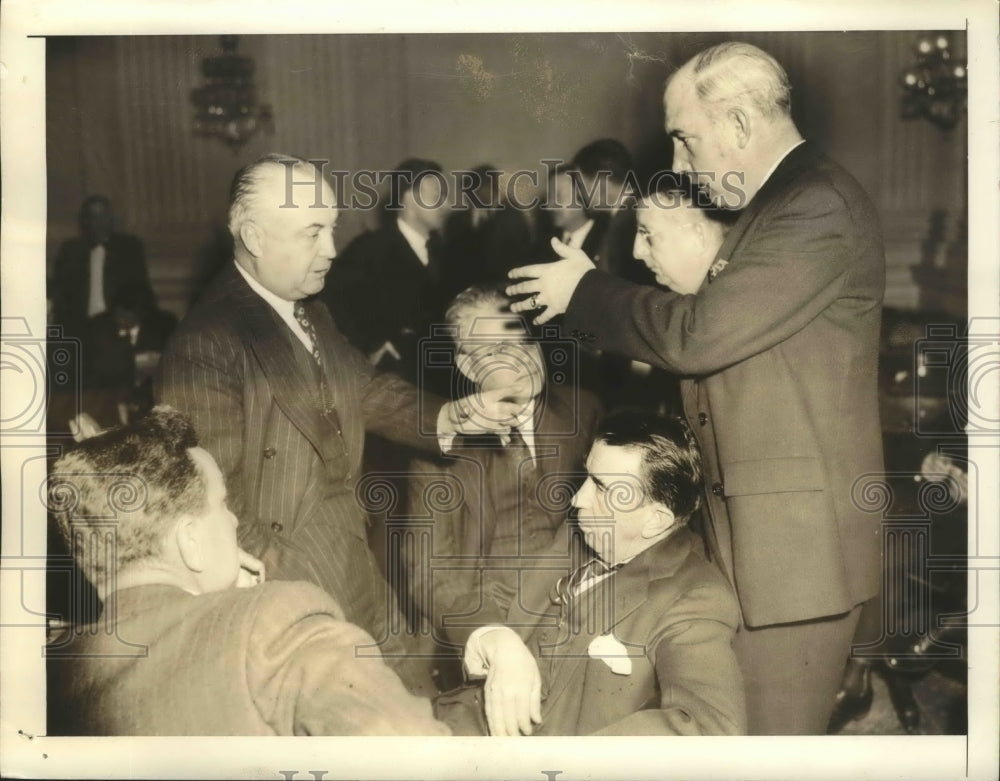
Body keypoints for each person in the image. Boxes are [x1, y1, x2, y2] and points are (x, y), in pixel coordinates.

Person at [506, 42, 886, 735]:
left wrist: (583, 291)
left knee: (761, 746)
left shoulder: (816, 204)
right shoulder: (777, 205)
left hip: (797, 562)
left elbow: (699, 335)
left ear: (740, 124)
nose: (679, 163)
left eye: (685, 138)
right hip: (756, 542)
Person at [156, 153, 525, 693]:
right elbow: (214, 498)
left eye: (331, 229)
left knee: (415, 695)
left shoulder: (308, 309)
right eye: (313, 233)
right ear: (255, 237)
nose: (331, 249)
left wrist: (453, 413)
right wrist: (304, 594)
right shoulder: (207, 342)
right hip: (292, 588)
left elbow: (367, 388)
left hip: (352, 556)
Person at [46, 406, 450, 736]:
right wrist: (244, 608)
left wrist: (215, 598)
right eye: (223, 504)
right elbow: (413, 751)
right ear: (189, 541)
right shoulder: (273, 622)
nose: (235, 523)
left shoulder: (55, 671)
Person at [434, 410, 745, 736]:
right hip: (454, 725)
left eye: (600, 487)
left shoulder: (697, 598)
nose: (578, 498)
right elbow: (488, 595)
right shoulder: (577, 533)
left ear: (656, 519)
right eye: (587, 477)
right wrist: (496, 638)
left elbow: (712, 730)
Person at [399, 285, 601, 684]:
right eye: (496, 350)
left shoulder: (584, 412)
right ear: (469, 368)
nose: (522, 357)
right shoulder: (438, 448)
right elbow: (429, 571)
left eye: (524, 339)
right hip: (491, 617)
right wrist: (489, 632)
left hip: (582, 612)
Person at [322, 157, 450, 383]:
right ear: (410, 198)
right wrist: (372, 343)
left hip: (442, 374)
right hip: (396, 378)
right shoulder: (370, 249)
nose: (447, 205)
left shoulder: (446, 249)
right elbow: (329, 296)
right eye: (438, 197)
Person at [50, 195, 153, 339]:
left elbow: (140, 289)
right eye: (93, 216)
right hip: (78, 325)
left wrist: (127, 312)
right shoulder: (71, 250)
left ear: (111, 218)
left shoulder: (129, 247)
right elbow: (61, 292)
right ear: (85, 221)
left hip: (115, 323)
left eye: (104, 215)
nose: (99, 222)